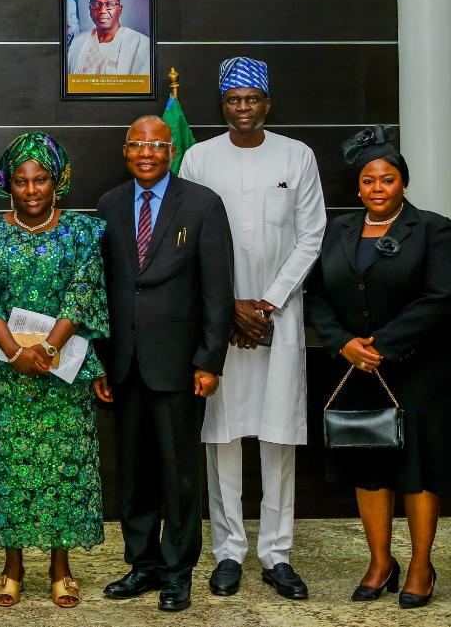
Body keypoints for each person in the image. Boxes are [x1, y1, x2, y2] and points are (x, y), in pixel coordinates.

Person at [180, 57, 326, 600]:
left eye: (252, 99)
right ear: (223, 105)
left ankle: (276, 554)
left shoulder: (297, 155)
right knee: (222, 438)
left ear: (267, 102)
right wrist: (229, 308)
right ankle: (227, 552)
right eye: (233, 100)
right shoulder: (199, 157)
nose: (243, 108)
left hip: (278, 315)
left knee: (276, 437)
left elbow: (311, 236)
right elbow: (189, 238)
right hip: (219, 320)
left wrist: (264, 303)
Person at [307, 125, 451, 609]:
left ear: (402, 183)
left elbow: (441, 297)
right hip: (356, 371)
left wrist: (383, 345)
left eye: (386, 179)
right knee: (370, 466)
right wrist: (343, 343)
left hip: (417, 369)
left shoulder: (433, 228)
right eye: (368, 180)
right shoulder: (339, 230)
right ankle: (380, 562)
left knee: (417, 468)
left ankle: (419, 566)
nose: (377, 188)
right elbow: (318, 296)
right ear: (359, 186)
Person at [94, 115, 234, 612]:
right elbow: (102, 289)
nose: (147, 153)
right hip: (125, 364)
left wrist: (209, 359)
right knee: (133, 471)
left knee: (177, 472)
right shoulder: (108, 205)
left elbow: (218, 292)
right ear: (126, 150)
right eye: (137, 145)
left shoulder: (202, 204)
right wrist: (100, 362)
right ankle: (143, 564)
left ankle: (178, 570)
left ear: (171, 150)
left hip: (179, 365)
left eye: (156, 145)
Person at [0, 132, 109, 608]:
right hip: (8, 378)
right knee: (10, 470)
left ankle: (61, 566)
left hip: (62, 373)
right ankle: (12, 565)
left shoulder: (83, 233)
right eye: (22, 181)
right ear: (10, 183)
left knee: (64, 469)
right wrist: (15, 353)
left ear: (57, 181)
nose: (30, 190)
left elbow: (82, 293)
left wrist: (46, 349)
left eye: (40, 179)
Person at [67, 0, 150, 76]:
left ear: (119, 10)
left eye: (110, 4)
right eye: (96, 4)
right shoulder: (78, 43)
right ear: (90, 10)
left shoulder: (141, 44)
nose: (102, 10)